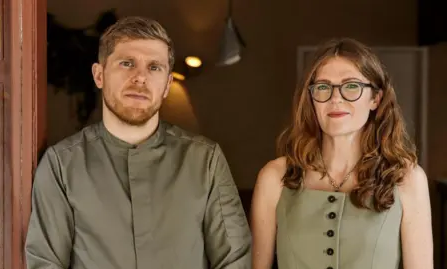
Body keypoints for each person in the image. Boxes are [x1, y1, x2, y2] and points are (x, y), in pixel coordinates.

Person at [25, 16, 252, 269]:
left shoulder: (205, 160)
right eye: (127, 63)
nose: (140, 78)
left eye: (154, 67)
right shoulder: (61, 165)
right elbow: (45, 263)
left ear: (167, 85)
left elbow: (234, 260)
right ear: (99, 75)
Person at [250, 38, 433, 269]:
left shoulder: (408, 179)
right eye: (323, 87)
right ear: (312, 98)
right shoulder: (274, 177)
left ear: (375, 99)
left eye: (351, 86)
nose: (336, 98)